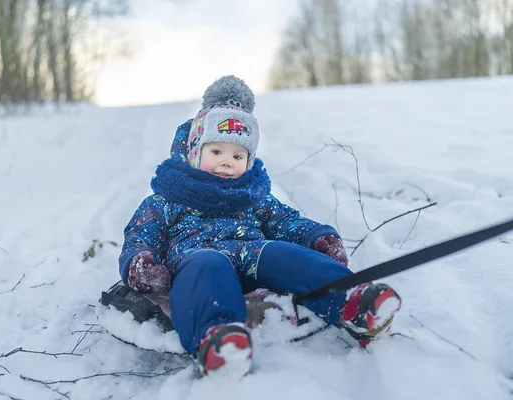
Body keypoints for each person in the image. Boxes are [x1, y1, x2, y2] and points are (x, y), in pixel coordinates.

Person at [118, 76, 401, 378]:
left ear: (249, 160)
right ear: (194, 152)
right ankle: (217, 338)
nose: (227, 162)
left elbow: (286, 221)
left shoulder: (253, 197)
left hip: (252, 253)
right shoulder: (167, 198)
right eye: (217, 152)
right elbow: (140, 235)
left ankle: (352, 301)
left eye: (238, 156)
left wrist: (318, 237)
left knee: (284, 253)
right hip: (196, 256)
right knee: (207, 269)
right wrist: (141, 266)